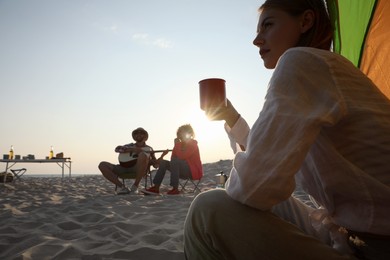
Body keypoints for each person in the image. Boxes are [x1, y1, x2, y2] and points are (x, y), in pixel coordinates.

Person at [184, 1, 390, 259]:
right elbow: (268, 162)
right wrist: (232, 118)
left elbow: (254, 188)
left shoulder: (299, 61)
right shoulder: (323, 68)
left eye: (268, 25)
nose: (256, 40)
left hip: (375, 248)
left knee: (208, 209)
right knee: (235, 199)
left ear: (305, 21)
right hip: (348, 233)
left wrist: (243, 178)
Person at [142, 124, 203, 195]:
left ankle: (175, 189)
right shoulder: (178, 145)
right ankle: (156, 187)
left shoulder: (193, 143)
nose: (181, 135)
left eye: (183, 132)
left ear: (190, 134)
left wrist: (177, 146)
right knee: (164, 163)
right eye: (180, 133)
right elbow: (173, 159)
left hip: (192, 172)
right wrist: (165, 155)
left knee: (176, 161)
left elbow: (182, 157)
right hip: (180, 170)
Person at [98, 127, 158, 195]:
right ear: (134, 136)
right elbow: (117, 149)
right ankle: (122, 187)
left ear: (145, 136)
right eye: (136, 133)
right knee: (102, 165)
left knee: (143, 155)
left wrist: (160, 158)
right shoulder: (129, 145)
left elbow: (155, 165)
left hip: (138, 169)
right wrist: (133, 150)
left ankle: (135, 186)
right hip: (123, 167)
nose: (138, 135)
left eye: (141, 133)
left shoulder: (149, 149)